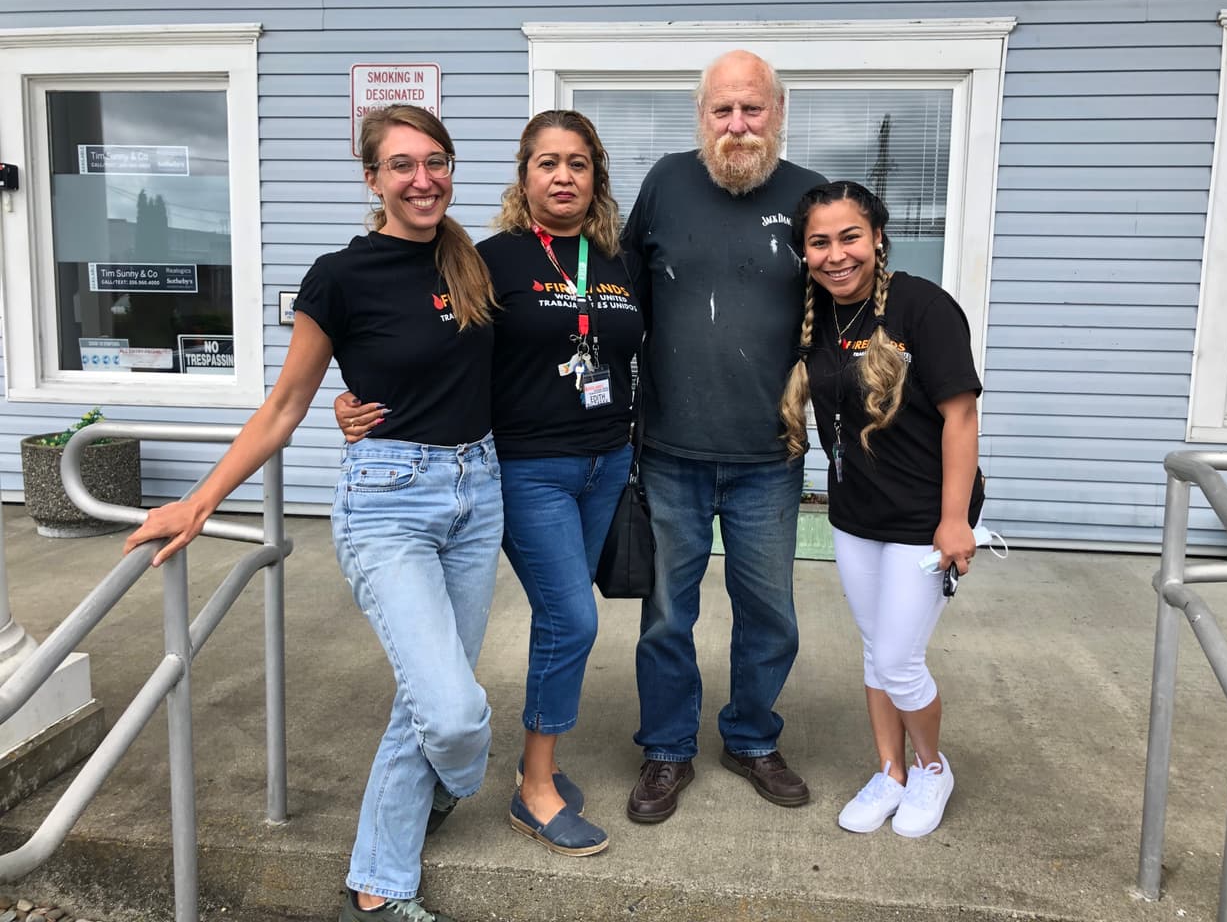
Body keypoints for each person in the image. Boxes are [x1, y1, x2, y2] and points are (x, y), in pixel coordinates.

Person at [126, 104, 501, 922]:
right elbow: (286, 405)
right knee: (451, 708)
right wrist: (199, 501)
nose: (422, 179)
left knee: (424, 698)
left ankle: (377, 889)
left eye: (435, 161)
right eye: (401, 165)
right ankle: (451, 774)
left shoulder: (473, 261)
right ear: (373, 179)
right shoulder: (340, 274)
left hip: (480, 489)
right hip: (388, 502)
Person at [337, 110, 644, 855]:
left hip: (608, 460)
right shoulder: (486, 259)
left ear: (596, 176)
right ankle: (535, 787)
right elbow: (429, 342)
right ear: (524, 176)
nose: (563, 176)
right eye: (547, 163)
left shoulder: (617, 260)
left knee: (562, 619)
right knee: (572, 619)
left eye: (578, 163)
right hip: (526, 467)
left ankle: (513, 769)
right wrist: (356, 403)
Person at [621, 50, 824, 824]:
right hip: (669, 450)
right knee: (669, 613)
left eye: (752, 109)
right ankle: (668, 748)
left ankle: (749, 736)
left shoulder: (810, 197)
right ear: (701, 116)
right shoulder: (665, 186)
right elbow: (619, 302)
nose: (737, 126)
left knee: (769, 611)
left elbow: (847, 312)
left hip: (768, 459)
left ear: (778, 112)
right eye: (722, 111)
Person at [782, 179, 983, 838]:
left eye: (850, 237)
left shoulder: (924, 307)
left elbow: (961, 417)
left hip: (925, 517)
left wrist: (955, 520)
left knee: (899, 659)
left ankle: (931, 768)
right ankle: (890, 771)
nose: (837, 255)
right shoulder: (815, 314)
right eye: (820, 242)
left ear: (877, 239)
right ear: (804, 251)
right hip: (855, 515)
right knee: (876, 652)